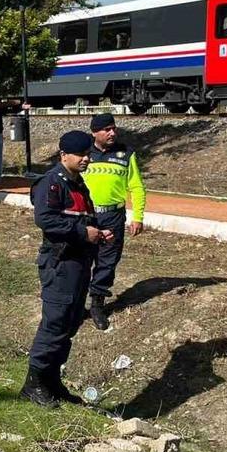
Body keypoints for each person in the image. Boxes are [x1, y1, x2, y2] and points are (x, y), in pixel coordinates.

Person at [22, 130, 115, 407]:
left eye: (88, 154)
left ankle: (52, 380)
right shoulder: (52, 183)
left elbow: (83, 219)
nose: (87, 159)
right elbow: (46, 220)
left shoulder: (78, 183)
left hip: (79, 263)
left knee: (70, 323)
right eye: (81, 155)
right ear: (64, 155)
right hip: (60, 264)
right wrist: (83, 232)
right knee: (55, 322)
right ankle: (34, 383)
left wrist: (98, 232)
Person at [81, 113, 147, 331]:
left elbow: (136, 187)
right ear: (94, 133)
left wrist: (138, 217)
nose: (112, 133)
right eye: (106, 129)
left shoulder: (126, 154)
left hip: (113, 217)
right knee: (80, 260)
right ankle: (75, 304)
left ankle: (97, 304)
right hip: (86, 216)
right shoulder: (82, 154)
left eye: (113, 128)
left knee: (107, 262)